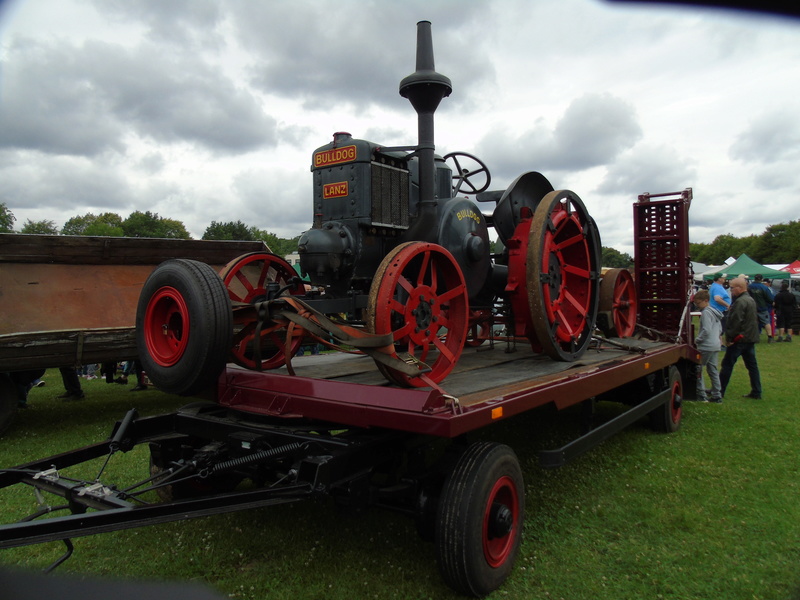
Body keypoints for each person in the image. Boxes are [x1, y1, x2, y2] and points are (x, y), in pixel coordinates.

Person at [719, 277, 762, 400]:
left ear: (739, 288)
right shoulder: (750, 299)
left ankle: (719, 391)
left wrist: (730, 338)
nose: (731, 290)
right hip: (749, 338)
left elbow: (735, 321)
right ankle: (757, 391)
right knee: (752, 366)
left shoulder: (740, 302)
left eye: (732, 288)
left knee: (727, 364)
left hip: (739, 339)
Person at [692, 290, 724, 403]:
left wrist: (697, 340)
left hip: (706, 345)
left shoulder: (706, 313)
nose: (697, 305)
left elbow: (706, 329)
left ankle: (701, 394)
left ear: (706, 301)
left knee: (698, 369)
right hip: (715, 344)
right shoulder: (715, 311)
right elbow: (719, 329)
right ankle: (717, 394)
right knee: (713, 370)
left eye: (698, 303)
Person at [747, 274, 774, 342]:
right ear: (761, 279)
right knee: (766, 322)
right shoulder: (764, 287)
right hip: (762, 308)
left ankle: (753, 337)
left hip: (752, 307)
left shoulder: (749, 287)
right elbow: (770, 298)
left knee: (753, 323)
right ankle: (770, 337)